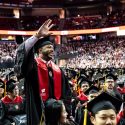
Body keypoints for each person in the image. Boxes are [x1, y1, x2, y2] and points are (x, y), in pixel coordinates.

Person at [14, 19, 72, 125]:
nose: (52, 49)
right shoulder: (32, 67)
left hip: (58, 117)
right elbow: (21, 53)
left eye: (52, 47)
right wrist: (37, 36)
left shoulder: (58, 70)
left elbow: (67, 93)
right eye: (48, 47)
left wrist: (65, 111)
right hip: (39, 114)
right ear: (39, 50)